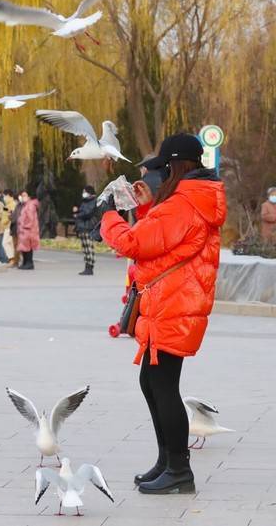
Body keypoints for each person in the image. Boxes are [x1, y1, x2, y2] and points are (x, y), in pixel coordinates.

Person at [101, 133, 226, 495]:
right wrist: (143, 209)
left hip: (175, 303)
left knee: (163, 385)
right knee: (152, 382)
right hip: (177, 301)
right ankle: (167, 461)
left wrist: (108, 214)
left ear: (174, 165)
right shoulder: (191, 199)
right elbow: (162, 241)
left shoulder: (184, 204)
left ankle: (179, 470)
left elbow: (135, 243)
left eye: (164, 167)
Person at [73, 185, 100, 276]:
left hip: (88, 227)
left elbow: (88, 213)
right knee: (85, 248)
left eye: (85, 191)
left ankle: (90, 266)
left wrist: (78, 214)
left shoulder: (93, 201)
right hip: (82, 227)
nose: (83, 193)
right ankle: (87, 266)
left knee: (89, 247)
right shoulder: (85, 201)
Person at [16, 188, 40, 270]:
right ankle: (25, 262)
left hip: (28, 230)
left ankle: (29, 263)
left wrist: (25, 226)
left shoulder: (30, 205)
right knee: (24, 247)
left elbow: (31, 218)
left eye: (24, 195)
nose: (22, 197)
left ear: (29, 196)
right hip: (24, 230)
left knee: (28, 247)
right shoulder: (26, 205)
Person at [1, 189, 18, 264]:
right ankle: (15, 259)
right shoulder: (7, 205)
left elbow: (12, 214)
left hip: (10, 226)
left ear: (8, 195)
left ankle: (12, 258)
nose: (3, 198)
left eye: (4, 196)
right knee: (10, 243)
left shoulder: (13, 204)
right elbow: (5, 212)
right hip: (7, 226)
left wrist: (8, 217)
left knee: (5, 243)